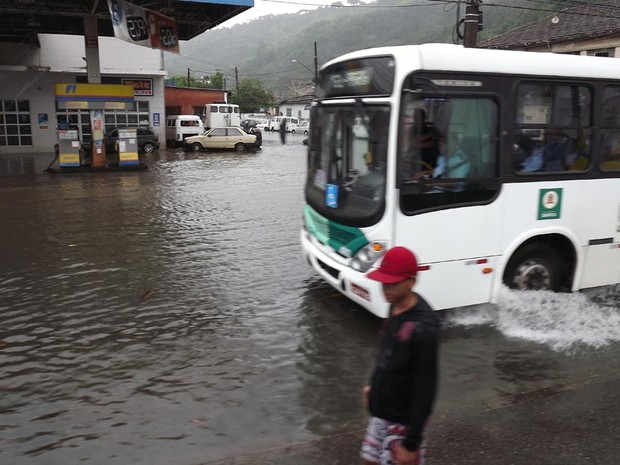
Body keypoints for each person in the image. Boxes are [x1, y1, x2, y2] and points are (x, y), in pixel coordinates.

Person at [360, 246, 440, 465]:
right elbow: (386, 351)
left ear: (412, 281)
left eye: (392, 282)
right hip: (382, 413)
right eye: (383, 282)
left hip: (403, 422)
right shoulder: (394, 306)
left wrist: (411, 442)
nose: (386, 288)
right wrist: (373, 385)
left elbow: (426, 387)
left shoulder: (424, 328)